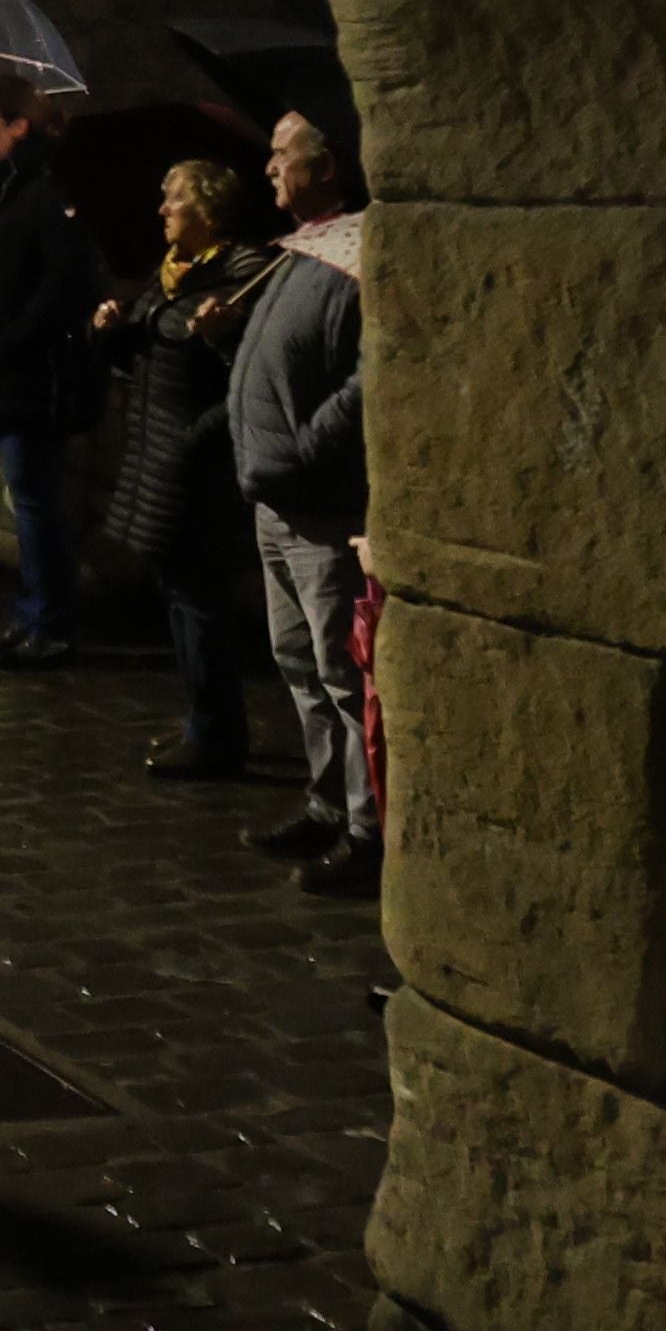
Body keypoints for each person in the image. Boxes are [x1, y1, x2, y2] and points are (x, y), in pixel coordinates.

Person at [232, 109, 378, 897]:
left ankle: (365, 828)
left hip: (317, 500)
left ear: (327, 167)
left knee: (340, 672)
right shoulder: (295, 255)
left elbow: (367, 375)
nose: (269, 169)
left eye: (282, 154)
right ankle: (325, 802)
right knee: (298, 664)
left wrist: (306, 444)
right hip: (275, 498)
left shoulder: (357, 256)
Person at [94, 160, 277, 776]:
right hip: (156, 454)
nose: (162, 209)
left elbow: (246, 380)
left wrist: (193, 442)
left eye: (173, 198)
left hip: (195, 463)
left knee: (200, 596)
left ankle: (218, 733)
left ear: (207, 209)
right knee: (176, 592)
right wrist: (113, 333)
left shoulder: (244, 275)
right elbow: (148, 354)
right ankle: (201, 717)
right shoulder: (172, 272)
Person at [0, 75, 105, 669]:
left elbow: (60, 284)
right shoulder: (7, 188)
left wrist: (11, 341)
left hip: (31, 375)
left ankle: (50, 621)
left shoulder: (47, 192)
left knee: (37, 503)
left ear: (18, 125)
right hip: (7, 371)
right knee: (29, 502)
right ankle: (29, 616)